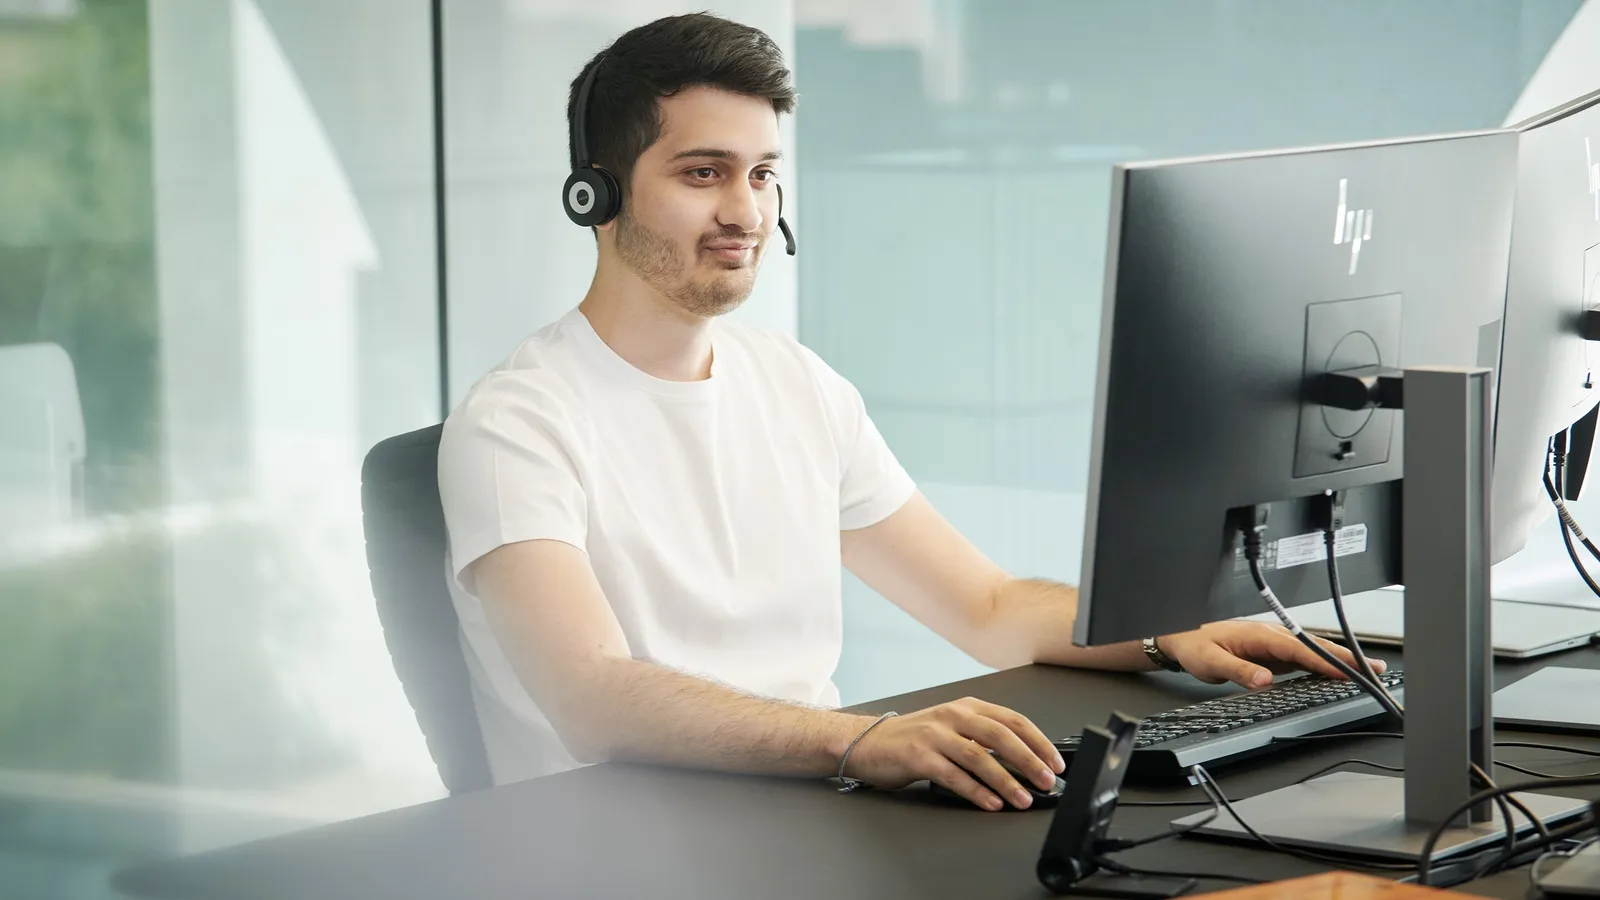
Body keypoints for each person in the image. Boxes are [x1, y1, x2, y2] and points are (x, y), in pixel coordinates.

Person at [438, 12, 1378, 812]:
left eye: (763, 173)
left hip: (805, 808)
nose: (747, 210)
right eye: (703, 173)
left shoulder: (798, 386)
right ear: (594, 195)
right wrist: (858, 742)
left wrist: (1168, 630)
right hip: (621, 847)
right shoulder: (518, 424)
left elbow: (987, 605)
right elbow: (592, 697)